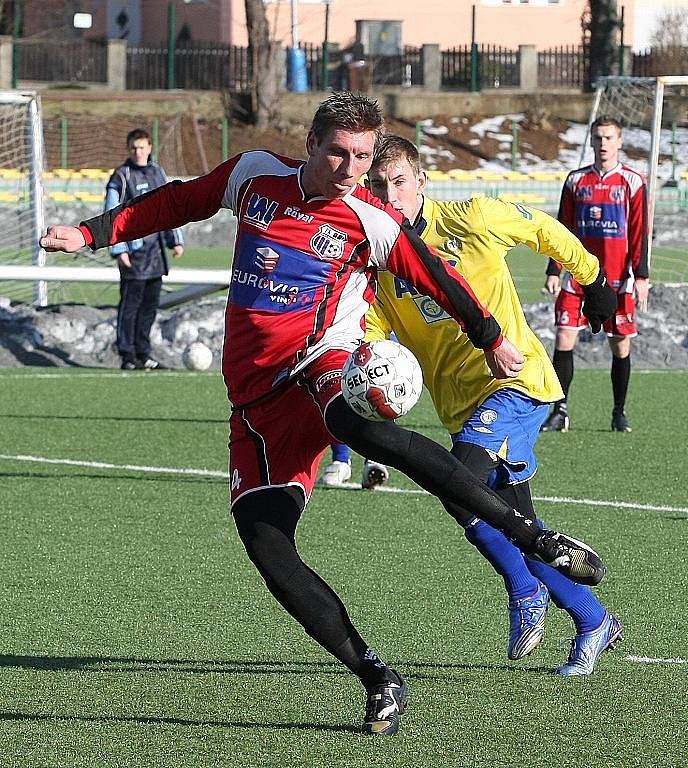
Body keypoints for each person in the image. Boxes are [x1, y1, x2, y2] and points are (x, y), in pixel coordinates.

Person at [39, 93, 614, 736]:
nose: (350, 168)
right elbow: (179, 200)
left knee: (360, 428)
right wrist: (91, 233)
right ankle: (378, 679)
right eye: (339, 153)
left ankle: (534, 539)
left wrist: (491, 336)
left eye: (363, 157)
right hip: (255, 407)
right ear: (310, 144)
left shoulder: (370, 220)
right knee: (266, 545)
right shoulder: (255, 175)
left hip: (318, 363)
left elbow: (437, 279)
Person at [320, 135, 622, 675]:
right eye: (378, 186)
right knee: (512, 519)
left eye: (400, 184)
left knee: (460, 488)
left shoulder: (472, 217)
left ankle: (523, 591)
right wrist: (364, 359)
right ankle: (592, 618)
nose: (389, 196)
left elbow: (543, 230)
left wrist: (594, 278)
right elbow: (377, 324)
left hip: (515, 379)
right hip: (459, 403)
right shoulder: (381, 258)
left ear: (422, 183)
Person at [541, 116, 649, 432]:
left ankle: (619, 412)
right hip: (578, 277)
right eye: (598, 138)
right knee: (563, 337)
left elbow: (639, 231)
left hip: (617, 278)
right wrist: (554, 269)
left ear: (620, 142)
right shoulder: (576, 181)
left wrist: (641, 276)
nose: (603, 144)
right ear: (591, 141)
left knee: (620, 345)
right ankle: (560, 411)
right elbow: (562, 229)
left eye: (609, 138)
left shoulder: (632, 181)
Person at [106, 128, 184, 370]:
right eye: (134, 148)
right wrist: (120, 250)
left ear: (149, 147)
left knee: (150, 306)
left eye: (142, 147)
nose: (138, 152)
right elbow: (112, 212)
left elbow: (169, 206)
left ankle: (144, 352)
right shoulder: (122, 175)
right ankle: (127, 354)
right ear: (129, 149)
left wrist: (175, 240)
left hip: (156, 252)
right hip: (135, 252)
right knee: (130, 305)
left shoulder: (157, 172)